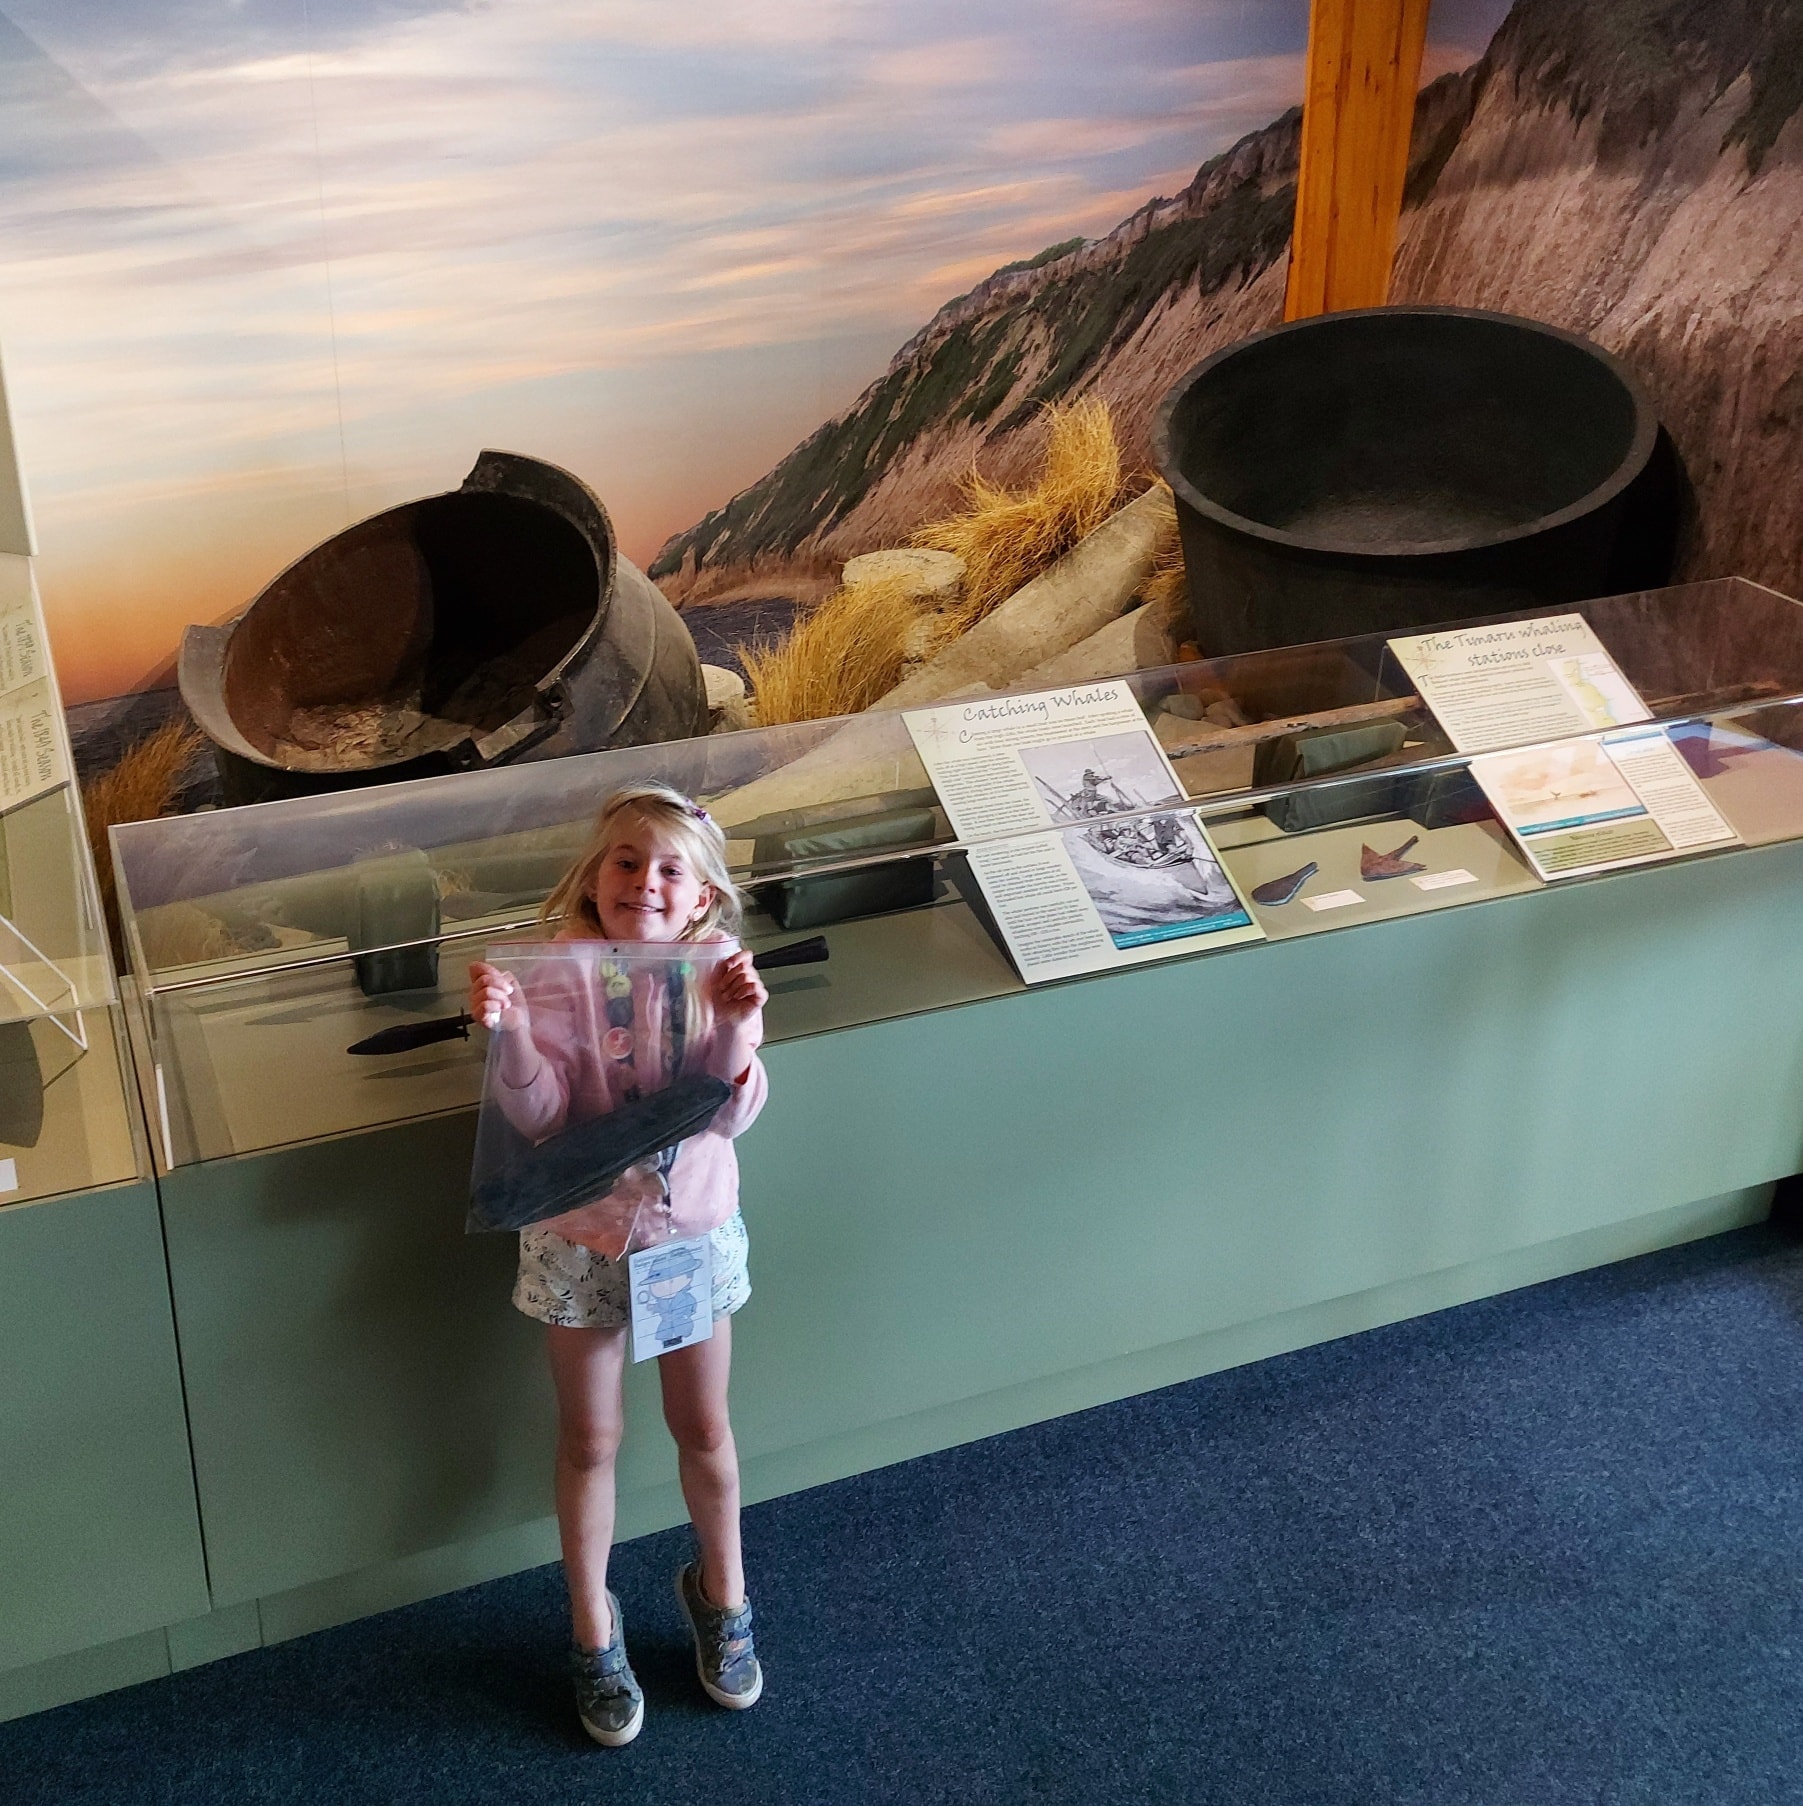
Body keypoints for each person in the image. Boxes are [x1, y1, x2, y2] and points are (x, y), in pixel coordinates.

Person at [468, 781, 769, 1748]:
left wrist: (730, 1025)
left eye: (670, 868)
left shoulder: (725, 971)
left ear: (703, 897)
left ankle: (721, 1593)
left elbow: (725, 1113)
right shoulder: (556, 969)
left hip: (689, 1238)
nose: (645, 882)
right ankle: (593, 1629)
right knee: (589, 1441)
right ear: (595, 879)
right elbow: (546, 1119)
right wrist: (512, 1031)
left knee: (705, 1428)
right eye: (627, 862)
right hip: (578, 1238)